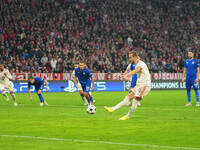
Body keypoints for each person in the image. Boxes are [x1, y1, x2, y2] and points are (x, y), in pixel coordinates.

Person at [104, 50, 151, 120]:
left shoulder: (141, 64)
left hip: (145, 85)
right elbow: (130, 70)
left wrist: (126, 75)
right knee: (128, 97)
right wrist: (125, 75)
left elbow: (136, 71)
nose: (129, 59)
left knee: (135, 101)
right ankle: (112, 109)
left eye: (130, 57)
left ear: (135, 57)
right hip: (139, 85)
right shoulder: (134, 64)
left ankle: (127, 116)